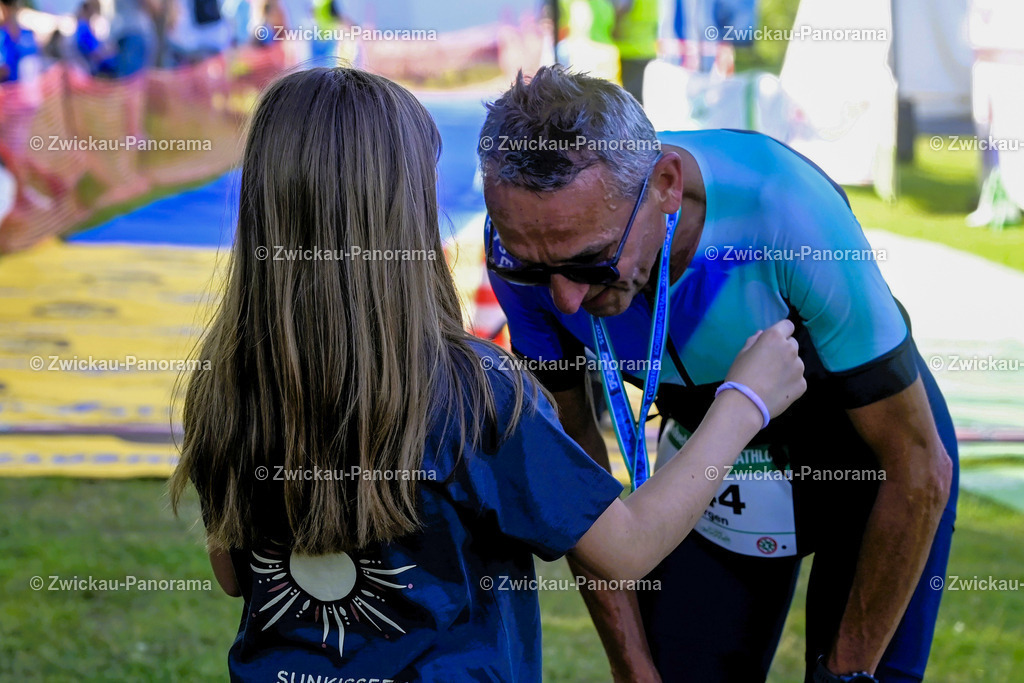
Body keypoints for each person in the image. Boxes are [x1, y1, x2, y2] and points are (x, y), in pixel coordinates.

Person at [169, 66, 806, 682]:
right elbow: (628, 550)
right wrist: (745, 400)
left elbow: (234, 576)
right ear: (404, 214)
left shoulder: (224, 384)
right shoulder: (476, 395)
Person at [480, 66, 956, 683]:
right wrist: (633, 666)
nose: (564, 299)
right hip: (715, 451)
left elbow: (918, 464)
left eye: (592, 262)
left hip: (867, 457)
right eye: (532, 267)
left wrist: (846, 674)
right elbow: (584, 492)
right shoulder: (523, 247)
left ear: (666, 187)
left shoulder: (782, 207)